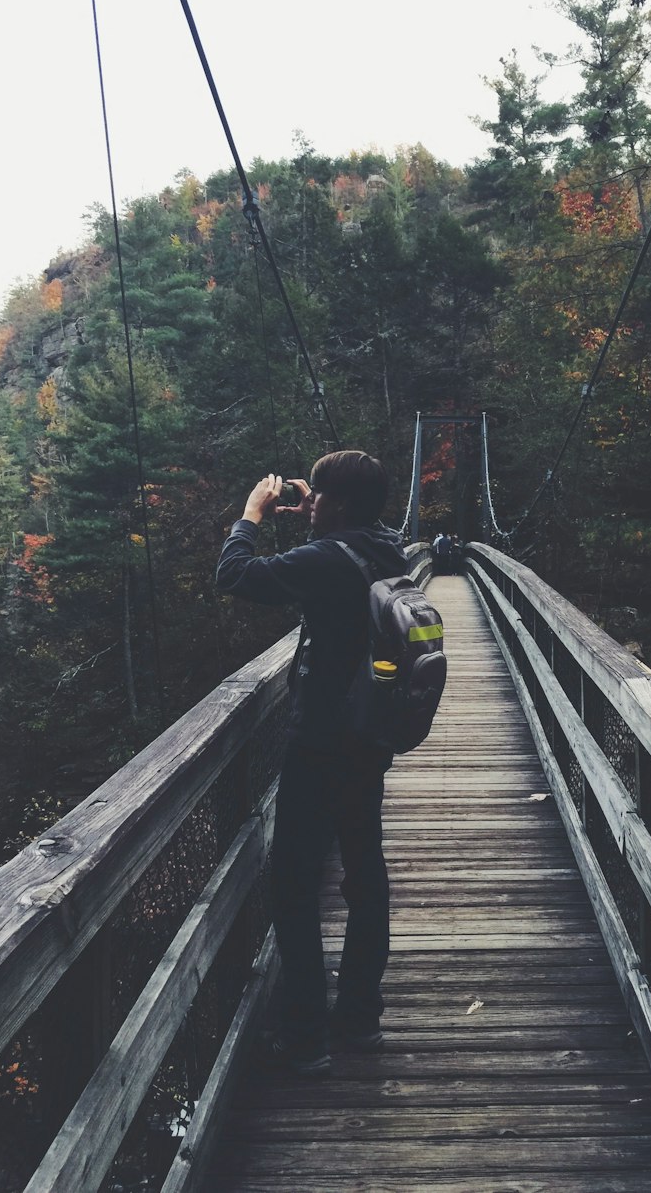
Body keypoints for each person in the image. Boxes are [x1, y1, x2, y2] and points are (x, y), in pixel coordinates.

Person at [215, 450, 407, 1077]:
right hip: (368, 737)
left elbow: (236, 576)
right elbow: (341, 544)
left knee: (294, 886)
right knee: (364, 873)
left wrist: (252, 515)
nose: (309, 500)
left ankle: (305, 1036)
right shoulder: (384, 545)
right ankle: (360, 1018)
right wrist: (316, 512)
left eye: (318, 494)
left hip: (321, 741)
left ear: (341, 505)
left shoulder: (327, 558)